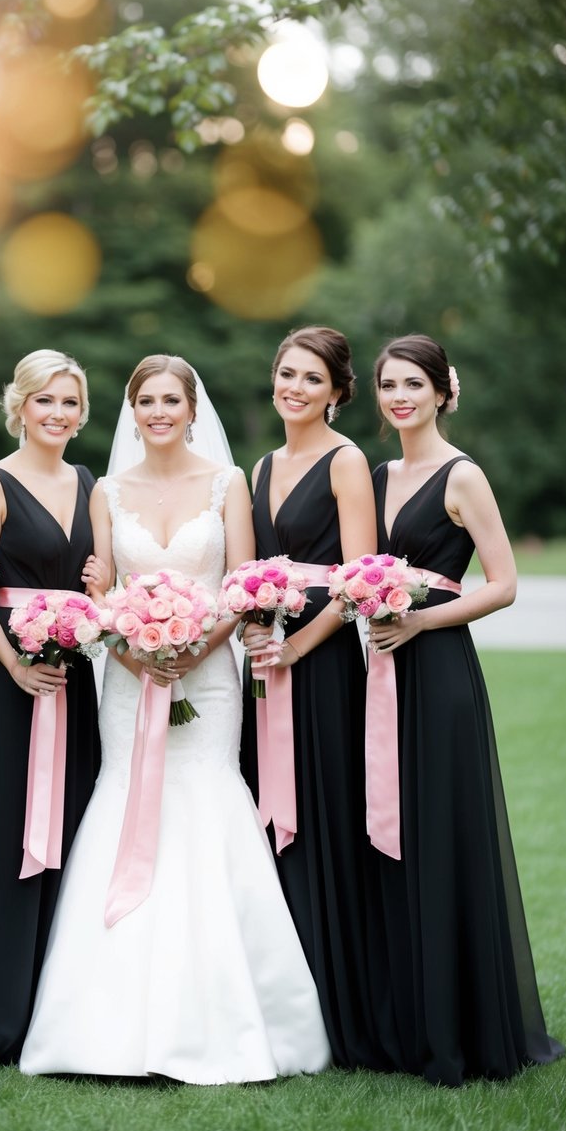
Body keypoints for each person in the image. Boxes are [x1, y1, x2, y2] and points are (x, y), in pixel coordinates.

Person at [19, 354, 331, 1085]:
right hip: (127, 682)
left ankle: (230, 1014)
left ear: (193, 409)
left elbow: (242, 586)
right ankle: (103, 1025)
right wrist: (137, 656)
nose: (158, 411)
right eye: (145, 400)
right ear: (131, 411)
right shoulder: (106, 492)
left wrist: (192, 646)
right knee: (127, 800)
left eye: (170, 399)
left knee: (206, 802)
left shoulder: (228, 484)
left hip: (211, 679)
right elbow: (98, 595)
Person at [366, 333, 564, 1085]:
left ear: (443, 390)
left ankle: (461, 1027)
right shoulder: (375, 473)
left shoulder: (461, 476)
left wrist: (419, 619)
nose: (399, 396)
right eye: (388, 385)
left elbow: (502, 582)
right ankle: (402, 1019)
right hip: (375, 672)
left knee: (442, 834)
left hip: (437, 670)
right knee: (388, 836)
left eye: (412, 383)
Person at [0, 350, 101, 1065]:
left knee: (72, 832)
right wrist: (10, 663)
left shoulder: (88, 483)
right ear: (20, 405)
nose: (58, 414)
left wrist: (104, 581)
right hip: (6, 682)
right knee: (4, 834)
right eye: (45, 401)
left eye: (69, 402)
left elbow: (103, 581)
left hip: (73, 678)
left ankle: (59, 1012)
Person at [240, 326, 387, 1070]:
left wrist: (297, 645)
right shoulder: (262, 466)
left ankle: (342, 1002)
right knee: (268, 818)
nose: (293, 387)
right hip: (264, 665)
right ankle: (283, 1004)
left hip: (323, 668)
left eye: (309, 378)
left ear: (335, 391)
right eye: (285, 373)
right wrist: (256, 628)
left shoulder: (346, 461)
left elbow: (359, 578)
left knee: (325, 815)